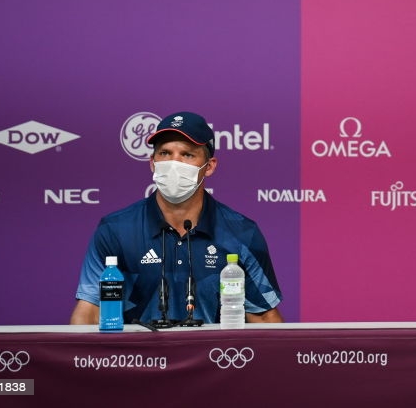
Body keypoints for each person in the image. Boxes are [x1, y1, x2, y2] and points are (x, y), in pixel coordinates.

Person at [70, 111, 283, 325]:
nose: (174, 163)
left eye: (187, 155)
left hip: (215, 356)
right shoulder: (115, 229)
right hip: (138, 357)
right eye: (164, 153)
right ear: (152, 163)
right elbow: (90, 311)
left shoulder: (242, 232)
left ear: (209, 166)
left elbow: (263, 316)